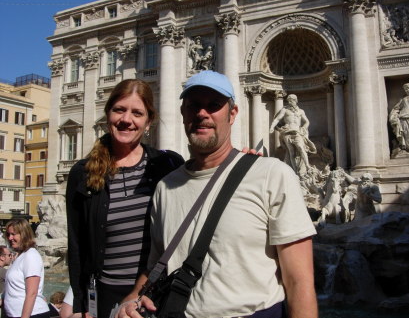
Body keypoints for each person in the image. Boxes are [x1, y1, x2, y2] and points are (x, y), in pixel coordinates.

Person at [118, 70, 318, 318]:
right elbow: (156, 267)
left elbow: (299, 283)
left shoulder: (273, 175)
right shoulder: (165, 187)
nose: (202, 113)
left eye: (213, 105)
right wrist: (131, 300)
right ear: (183, 113)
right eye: (194, 106)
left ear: (232, 114)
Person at [65, 79, 185, 318]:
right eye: (119, 109)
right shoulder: (83, 172)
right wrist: (79, 306)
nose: (126, 119)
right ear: (108, 114)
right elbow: (76, 244)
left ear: (148, 121)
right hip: (103, 293)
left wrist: (242, 163)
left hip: (153, 293)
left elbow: (202, 186)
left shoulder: (167, 165)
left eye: (137, 113)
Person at [3, 219, 50, 318]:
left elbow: (32, 293)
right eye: (8, 234)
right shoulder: (20, 256)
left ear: (24, 234)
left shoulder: (31, 255)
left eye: (13, 234)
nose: (10, 238)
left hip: (32, 314)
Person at [269, 94, 317, 176]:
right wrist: (272, 127)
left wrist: (304, 128)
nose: (290, 102)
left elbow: (307, 121)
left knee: (301, 147)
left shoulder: (301, 111)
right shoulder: (285, 110)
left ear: (296, 100)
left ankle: (307, 165)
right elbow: (277, 119)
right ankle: (294, 171)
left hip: (297, 132)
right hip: (287, 132)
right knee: (291, 151)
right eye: (289, 100)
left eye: (291, 100)